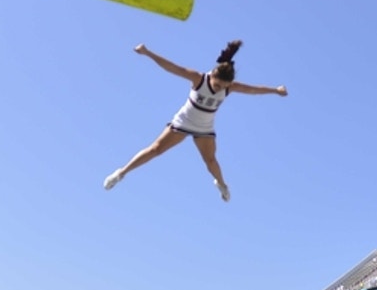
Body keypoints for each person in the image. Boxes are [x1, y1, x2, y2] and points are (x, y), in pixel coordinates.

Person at [102, 40, 288, 201]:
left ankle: (222, 185)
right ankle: (121, 173)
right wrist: (147, 52)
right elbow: (172, 67)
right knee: (156, 149)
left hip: (204, 129)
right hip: (183, 123)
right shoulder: (199, 79)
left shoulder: (229, 87)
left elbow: (254, 89)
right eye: (217, 85)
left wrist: (276, 90)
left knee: (211, 161)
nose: (218, 89)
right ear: (212, 75)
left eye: (223, 87)